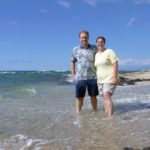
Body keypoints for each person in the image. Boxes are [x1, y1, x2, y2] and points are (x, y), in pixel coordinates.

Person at [71, 31, 98, 113]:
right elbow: (72, 61)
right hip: (80, 77)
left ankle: (95, 111)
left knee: (93, 96)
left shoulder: (94, 48)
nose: (84, 39)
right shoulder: (75, 49)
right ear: (80, 38)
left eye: (85, 37)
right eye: (82, 37)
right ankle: (78, 114)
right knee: (79, 97)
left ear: (88, 38)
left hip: (93, 77)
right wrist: (73, 75)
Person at [94, 36, 119, 117]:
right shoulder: (97, 54)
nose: (100, 43)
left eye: (101, 42)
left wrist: (115, 77)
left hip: (109, 78)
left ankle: (110, 117)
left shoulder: (109, 51)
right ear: (96, 43)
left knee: (106, 96)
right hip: (100, 80)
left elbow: (115, 63)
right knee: (105, 97)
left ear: (104, 43)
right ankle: (107, 113)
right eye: (98, 42)